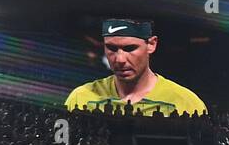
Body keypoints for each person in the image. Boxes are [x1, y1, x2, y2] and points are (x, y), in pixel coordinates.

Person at [65, 19, 207, 117]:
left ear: (151, 45)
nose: (119, 59)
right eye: (111, 48)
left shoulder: (186, 103)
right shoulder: (80, 98)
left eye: (130, 48)